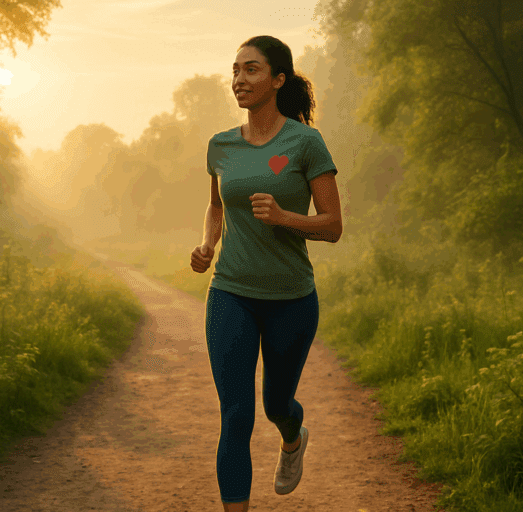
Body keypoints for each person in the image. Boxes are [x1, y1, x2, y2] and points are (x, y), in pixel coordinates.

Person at [190, 35, 343, 512]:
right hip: (231, 293)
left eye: (252, 70)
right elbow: (216, 207)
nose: (239, 79)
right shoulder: (221, 145)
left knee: (277, 405)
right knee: (236, 415)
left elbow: (333, 225)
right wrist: (208, 244)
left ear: (278, 80)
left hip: (291, 299)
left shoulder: (305, 142)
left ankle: (293, 438)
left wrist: (284, 217)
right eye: (235, 70)